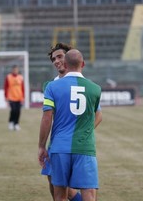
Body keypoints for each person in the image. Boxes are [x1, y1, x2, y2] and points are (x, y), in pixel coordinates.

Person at [38, 49, 102, 201]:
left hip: (60, 147)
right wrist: (85, 130)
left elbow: (47, 118)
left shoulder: (52, 87)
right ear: (83, 64)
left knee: (60, 194)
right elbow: (97, 114)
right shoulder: (95, 89)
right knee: (89, 194)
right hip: (85, 147)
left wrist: (41, 146)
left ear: (65, 64)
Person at [4, 65, 24, 131]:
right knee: (13, 110)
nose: (15, 71)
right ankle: (11, 122)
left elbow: (22, 87)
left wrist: (23, 97)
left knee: (18, 111)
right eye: (14, 70)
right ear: (12, 70)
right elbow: (6, 87)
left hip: (19, 97)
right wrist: (6, 96)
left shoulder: (20, 77)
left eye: (16, 70)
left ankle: (16, 124)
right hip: (11, 97)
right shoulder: (8, 77)